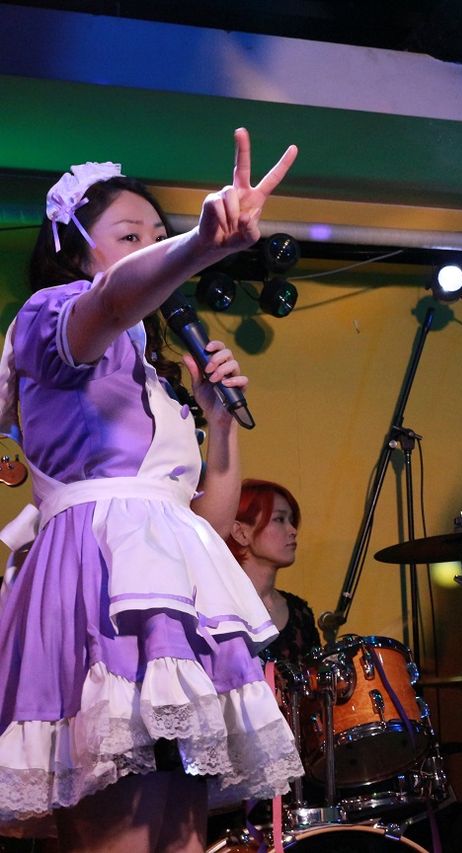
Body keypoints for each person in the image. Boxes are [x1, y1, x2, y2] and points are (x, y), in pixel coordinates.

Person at [0, 129, 303, 851]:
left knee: (182, 836)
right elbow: (111, 300)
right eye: (128, 235)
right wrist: (198, 245)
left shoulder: (156, 377)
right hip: (96, 586)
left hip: (168, 605)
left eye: (157, 235)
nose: (149, 247)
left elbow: (206, 522)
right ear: (76, 247)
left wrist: (220, 425)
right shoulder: (55, 316)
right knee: (120, 832)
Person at [226, 479, 319, 664]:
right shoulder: (219, 608)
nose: (293, 530)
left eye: (291, 521)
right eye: (279, 519)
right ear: (240, 533)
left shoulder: (299, 612)